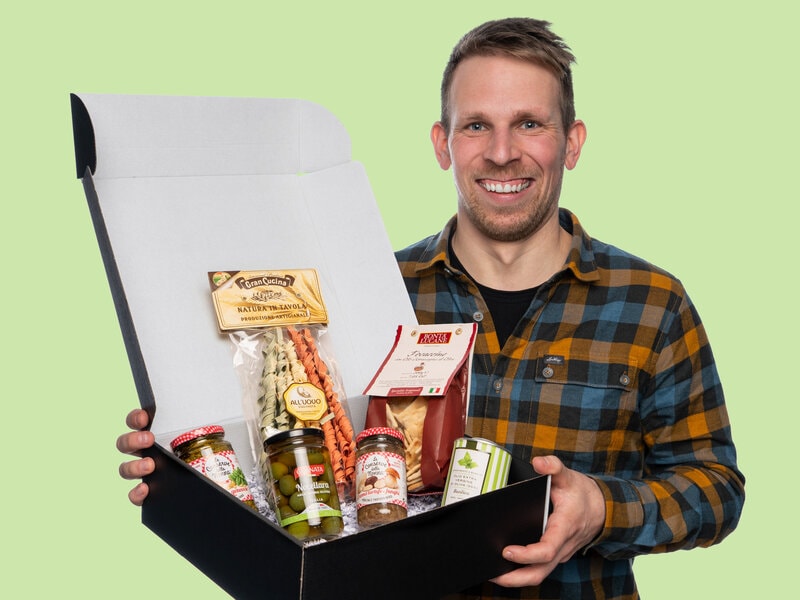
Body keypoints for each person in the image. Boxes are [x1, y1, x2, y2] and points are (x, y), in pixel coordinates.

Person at [117, 18, 745, 599]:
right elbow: (298, 433)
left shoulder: (651, 303)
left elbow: (716, 488)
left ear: (572, 143)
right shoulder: (365, 291)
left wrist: (602, 511)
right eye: (476, 125)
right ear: (443, 144)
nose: (502, 152)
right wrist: (188, 461)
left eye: (530, 123)